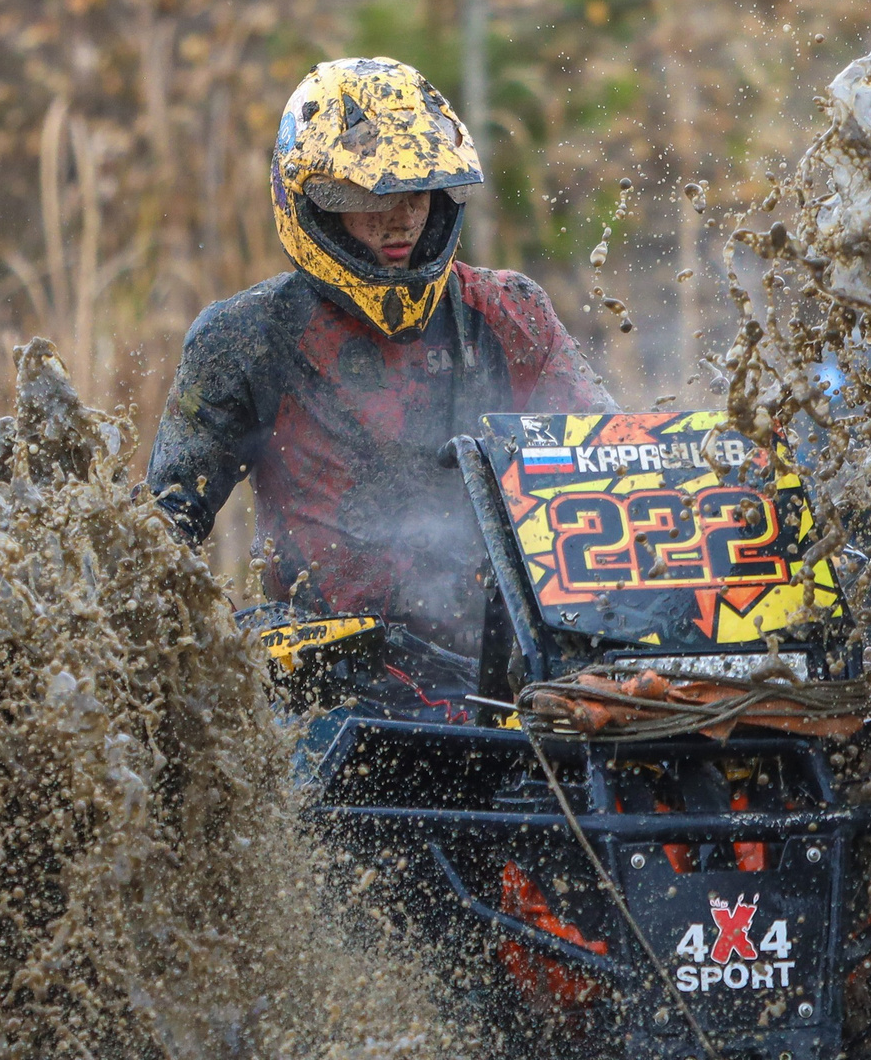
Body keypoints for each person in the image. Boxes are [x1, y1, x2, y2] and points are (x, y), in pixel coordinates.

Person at [147, 56, 614, 651]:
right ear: (316, 202)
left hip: (504, 662)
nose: (402, 218)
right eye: (371, 193)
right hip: (331, 669)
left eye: (419, 191)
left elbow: (614, 464)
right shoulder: (248, 337)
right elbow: (158, 537)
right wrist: (219, 650)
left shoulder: (509, 312)